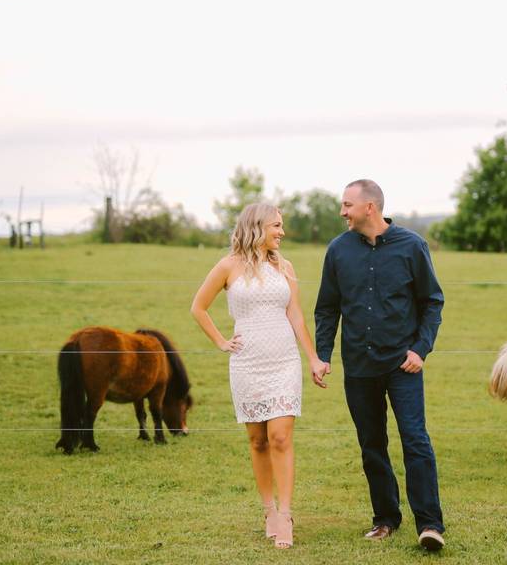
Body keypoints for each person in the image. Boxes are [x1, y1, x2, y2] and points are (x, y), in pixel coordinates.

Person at [313, 179, 446, 551]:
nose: (342, 212)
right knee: (372, 444)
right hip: (358, 366)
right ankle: (385, 518)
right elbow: (327, 308)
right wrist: (323, 355)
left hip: (402, 365)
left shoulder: (413, 246)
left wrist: (420, 349)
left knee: (415, 440)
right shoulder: (338, 251)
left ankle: (430, 524)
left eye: (346, 205)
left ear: (369, 207)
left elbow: (432, 302)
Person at [191, 203, 327, 549]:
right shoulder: (227, 266)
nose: (282, 232)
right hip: (247, 363)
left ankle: (285, 513)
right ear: (257, 226)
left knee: (280, 436)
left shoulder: (285, 266)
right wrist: (222, 341)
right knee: (258, 440)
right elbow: (198, 307)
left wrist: (312, 358)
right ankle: (267, 509)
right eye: (276, 226)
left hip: (283, 360)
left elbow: (295, 314)